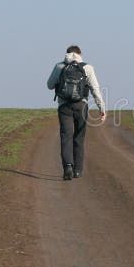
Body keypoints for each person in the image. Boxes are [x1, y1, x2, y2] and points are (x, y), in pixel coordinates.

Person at [46, 45, 106, 180]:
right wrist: (102, 108)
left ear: (66, 54)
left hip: (64, 106)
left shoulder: (59, 66)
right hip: (81, 106)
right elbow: (95, 90)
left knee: (65, 137)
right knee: (79, 137)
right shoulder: (88, 68)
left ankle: (68, 166)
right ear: (81, 54)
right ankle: (78, 170)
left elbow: (49, 85)